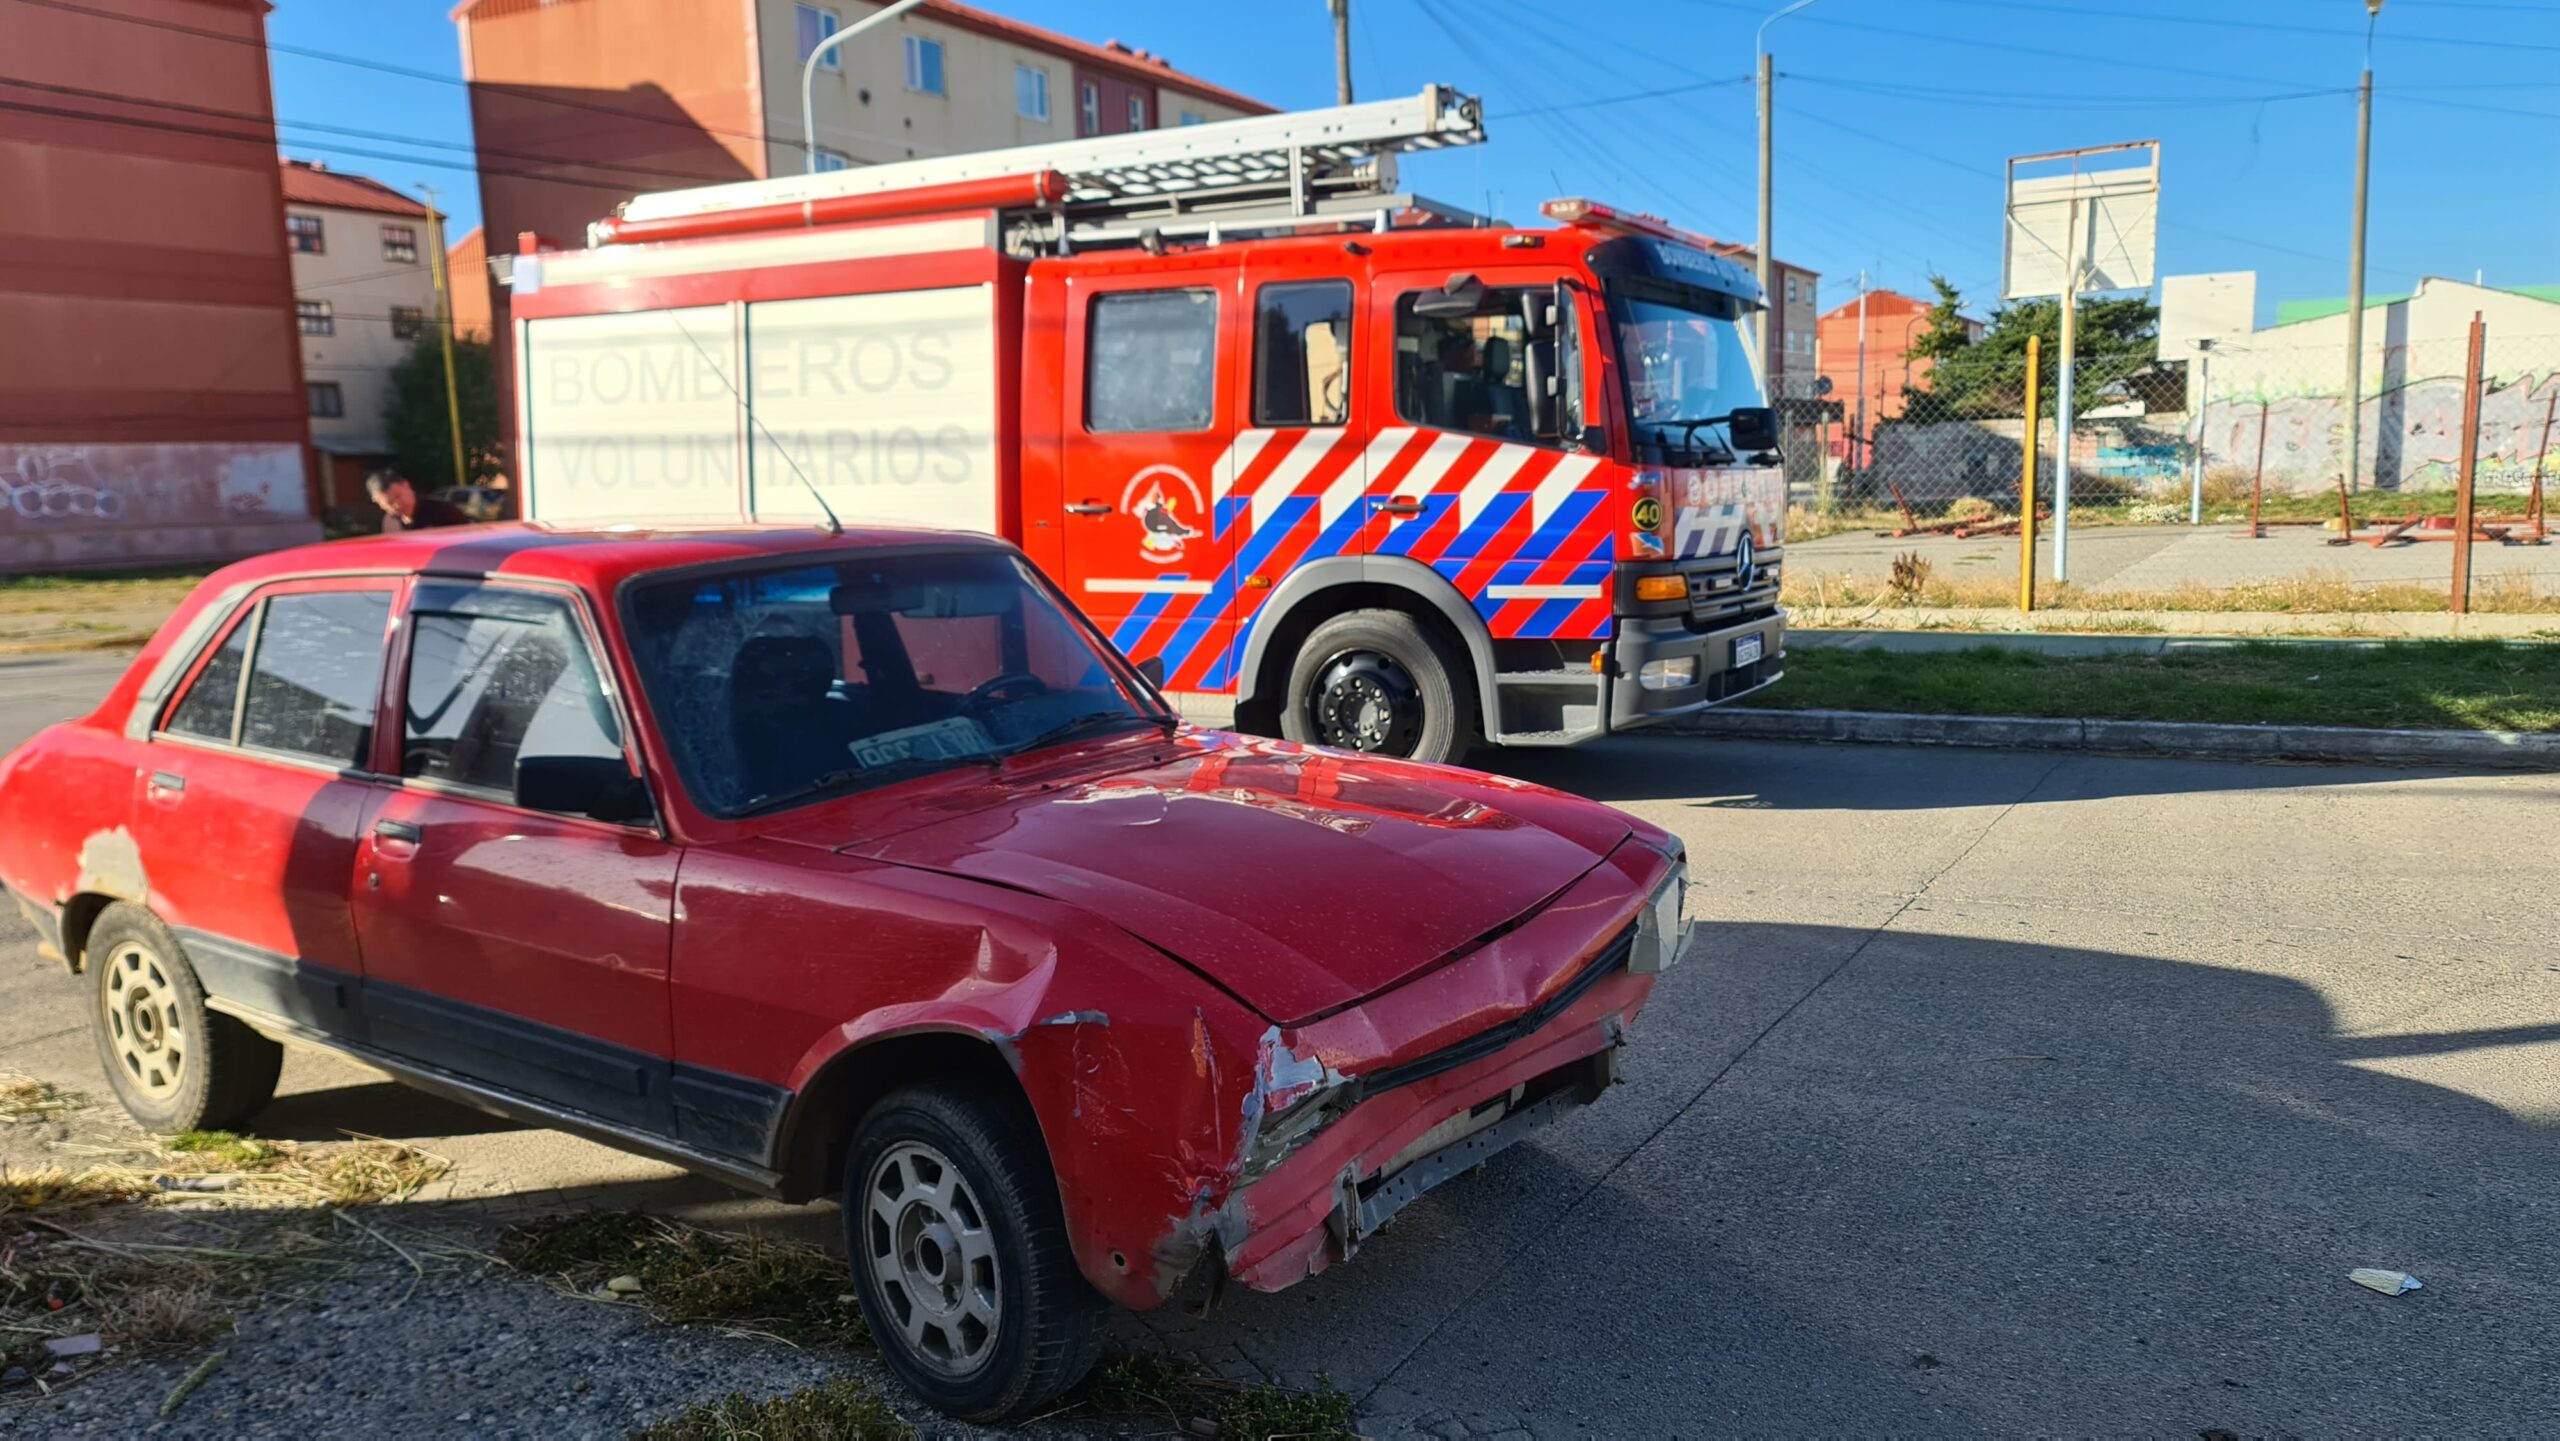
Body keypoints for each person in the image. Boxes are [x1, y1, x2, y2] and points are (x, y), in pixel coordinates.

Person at [367, 469, 472, 533]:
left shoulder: (442, 511)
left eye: (398, 496)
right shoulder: (390, 523)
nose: (397, 505)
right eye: (389, 503)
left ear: (406, 485)